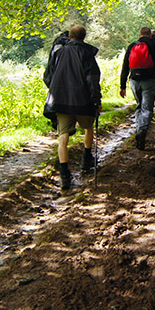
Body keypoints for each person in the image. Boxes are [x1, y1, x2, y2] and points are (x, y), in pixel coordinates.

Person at [43, 25, 102, 190]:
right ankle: (86, 159)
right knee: (88, 128)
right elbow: (93, 80)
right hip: (83, 101)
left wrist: (56, 91)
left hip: (60, 101)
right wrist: (96, 100)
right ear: (84, 37)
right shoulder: (87, 53)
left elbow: (48, 76)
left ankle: (64, 175)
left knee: (63, 136)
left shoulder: (58, 53)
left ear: (69, 37)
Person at [119, 26, 155, 150]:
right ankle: (142, 131)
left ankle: (139, 129)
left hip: (134, 80)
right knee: (147, 108)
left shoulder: (132, 45)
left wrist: (122, 86)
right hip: (149, 80)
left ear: (139, 35)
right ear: (150, 35)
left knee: (139, 106)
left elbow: (125, 66)